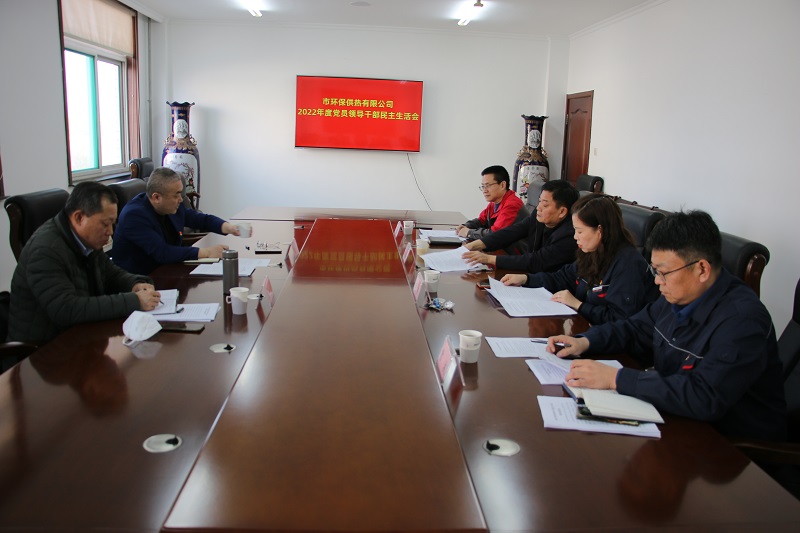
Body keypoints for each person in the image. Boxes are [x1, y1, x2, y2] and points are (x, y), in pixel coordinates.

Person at [548, 210, 786, 441]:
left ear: (702, 269)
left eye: (663, 272)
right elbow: (634, 329)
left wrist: (617, 379)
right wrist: (585, 341)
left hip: (729, 445)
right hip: (677, 419)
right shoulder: (677, 296)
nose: (656, 281)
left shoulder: (742, 321)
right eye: (655, 271)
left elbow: (705, 396)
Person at [7, 182, 161, 345]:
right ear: (79, 217)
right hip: (43, 349)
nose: (110, 232)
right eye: (105, 224)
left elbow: (110, 274)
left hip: (80, 336)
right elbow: (66, 309)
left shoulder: (86, 240)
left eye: (112, 223)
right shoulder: (45, 250)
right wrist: (134, 301)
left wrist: (135, 284)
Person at [501, 194, 658, 324]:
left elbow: (620, 319)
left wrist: (578, 305)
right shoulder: (592, 251)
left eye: (580, 231)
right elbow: (562, 277)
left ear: (600, 230)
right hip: (586, 329)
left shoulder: (629, 265)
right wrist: (526, 279)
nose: (575, 237)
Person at [112, 167, 241, 275]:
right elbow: (162, 252)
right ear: (156, 197)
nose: (181, 199)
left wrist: (228, 227)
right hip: (141, 281)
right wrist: (206, 252)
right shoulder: (134, 216)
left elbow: (200, 219)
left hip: (168, 270)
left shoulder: (170, 207)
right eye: (176, 195)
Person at [462, 180, 579, 273]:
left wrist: (489, 259)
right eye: (539, 201)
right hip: (531, 275)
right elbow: (512, 232)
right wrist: (473, 245)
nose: (538, 207)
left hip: (551, 288)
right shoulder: (539, 216)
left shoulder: (570, 235)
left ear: (562, 212)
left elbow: (537, 260)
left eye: (545, 204)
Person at [456, 165, 528, 245]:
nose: (484, 190)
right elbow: (481, 221)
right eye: (483, 186)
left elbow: (495, 234)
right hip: (500, 246)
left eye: (487, 186)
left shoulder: (512, 205)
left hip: (511, 251)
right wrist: (466, 225)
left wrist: (469, 232)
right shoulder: (494, 202)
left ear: (502, 185)